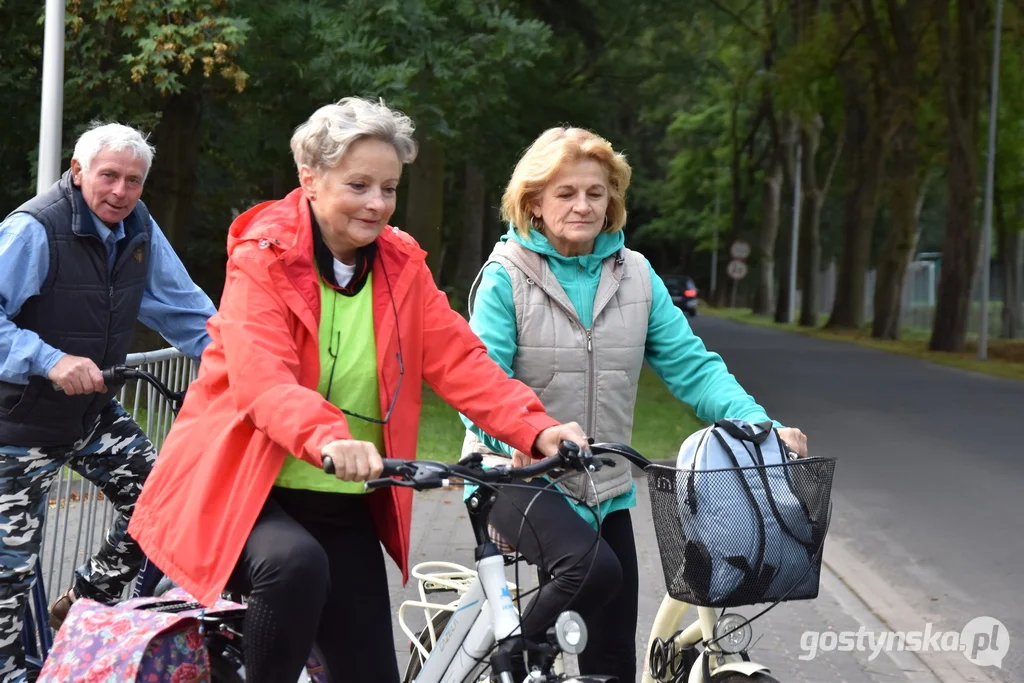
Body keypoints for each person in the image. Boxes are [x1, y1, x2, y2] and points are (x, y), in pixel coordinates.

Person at [126, 98, 591, 683]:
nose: (377, 203)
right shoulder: (262, 259)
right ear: (310, 180)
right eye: (359, 184)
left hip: (340, 498)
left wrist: (536, 428)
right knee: (294, 566)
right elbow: (261, 377)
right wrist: (327, 437)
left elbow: (461, 360)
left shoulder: (400, 266)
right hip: (246, 487)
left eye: (390, 188)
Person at [461, 126, 809, 682]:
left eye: (595, 193)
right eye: (565, 192)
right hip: (518, 478)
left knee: (616, 660)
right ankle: (514, 660)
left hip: (605, 488)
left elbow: (693, 367)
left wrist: (760, 428)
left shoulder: (637, 276)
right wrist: (525, 437)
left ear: (611, 201)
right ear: (534, 203)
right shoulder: (506, 278)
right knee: (594, 572)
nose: (582, 205)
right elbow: (479, 383)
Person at [0, 123, 216, 683]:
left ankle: (86, 597)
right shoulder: (33, 230)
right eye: (109, 176)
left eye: (133, 181)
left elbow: (187, 311)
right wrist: (47, 359)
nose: (120, 191)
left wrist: (246, 370)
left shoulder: (138, 228)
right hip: (16, 425)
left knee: (168, 502)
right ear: (77, 171)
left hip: (90, 415)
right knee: (8, 579)